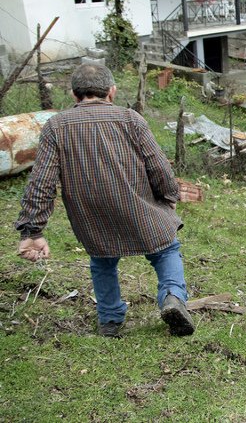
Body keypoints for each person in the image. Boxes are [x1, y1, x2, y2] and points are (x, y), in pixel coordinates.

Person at [15, 63, 194, 338]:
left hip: (91, 217)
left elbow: (42, 182)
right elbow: (158, 166)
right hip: (138, 208)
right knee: (166, 250)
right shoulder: (130, 119)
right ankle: (172, 297)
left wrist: (32, 231)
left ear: (75, 96)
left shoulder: (55, 126)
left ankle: (110, 320)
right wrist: (168, 196)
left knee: (102, 262)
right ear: (111, 91)